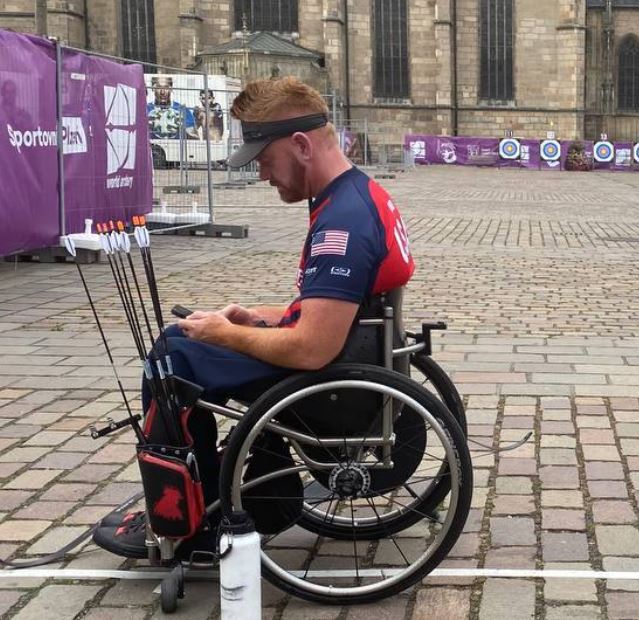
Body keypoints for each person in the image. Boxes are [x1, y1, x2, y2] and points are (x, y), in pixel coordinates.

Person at [93, 76, 417, 558]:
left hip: (330, 384)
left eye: (265, 160)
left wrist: (227, 335)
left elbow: (312, 347)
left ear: (302, 145)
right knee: (183, 338)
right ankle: (196, 493)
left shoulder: (343, 222)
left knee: (171, 358)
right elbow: (332, 305)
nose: (263, 174)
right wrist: (253, 318)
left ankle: (186, 515)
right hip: (352, 351)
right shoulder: (357, 195)